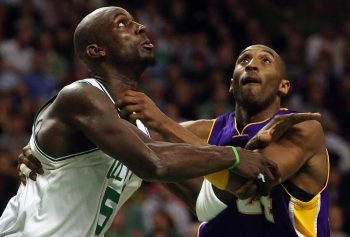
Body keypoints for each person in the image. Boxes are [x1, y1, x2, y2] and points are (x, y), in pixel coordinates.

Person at [0, 7, 280, 237]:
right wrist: (233, 156)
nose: (140, 27)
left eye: (136, 21)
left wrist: (243, 182)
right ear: (97, 51)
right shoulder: (82, 95)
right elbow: (155, 162)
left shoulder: (140, 131)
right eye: (123, 24)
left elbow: (204, 205)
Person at [114, 45, 329, 236]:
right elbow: (144, 146)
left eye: (265, 60)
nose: (252, 65)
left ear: (283, 86)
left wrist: (163, 122)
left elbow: (256, 180)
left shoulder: (302, 128)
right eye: (244, 60)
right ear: (232, 84)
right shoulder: (206, 130)